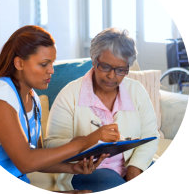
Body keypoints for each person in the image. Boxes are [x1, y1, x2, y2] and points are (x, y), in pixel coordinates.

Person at [0, 25, 121, 193]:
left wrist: (72, 168)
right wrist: (85, 141)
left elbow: (38, 156)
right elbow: (26, 161)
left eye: (52, 63)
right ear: (19, 63)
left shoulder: (32, 98)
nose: (51, 71)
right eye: (43, 64)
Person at [45, 28, 159, 192]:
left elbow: (151, 136)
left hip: (132, 166)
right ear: (94, 60)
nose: (112, 76)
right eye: (105, 67)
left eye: (121, 70)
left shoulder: (137, 90)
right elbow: (51, 146)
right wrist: (90, 139)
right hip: (87, 171)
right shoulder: (70, 94)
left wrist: (135, 168)